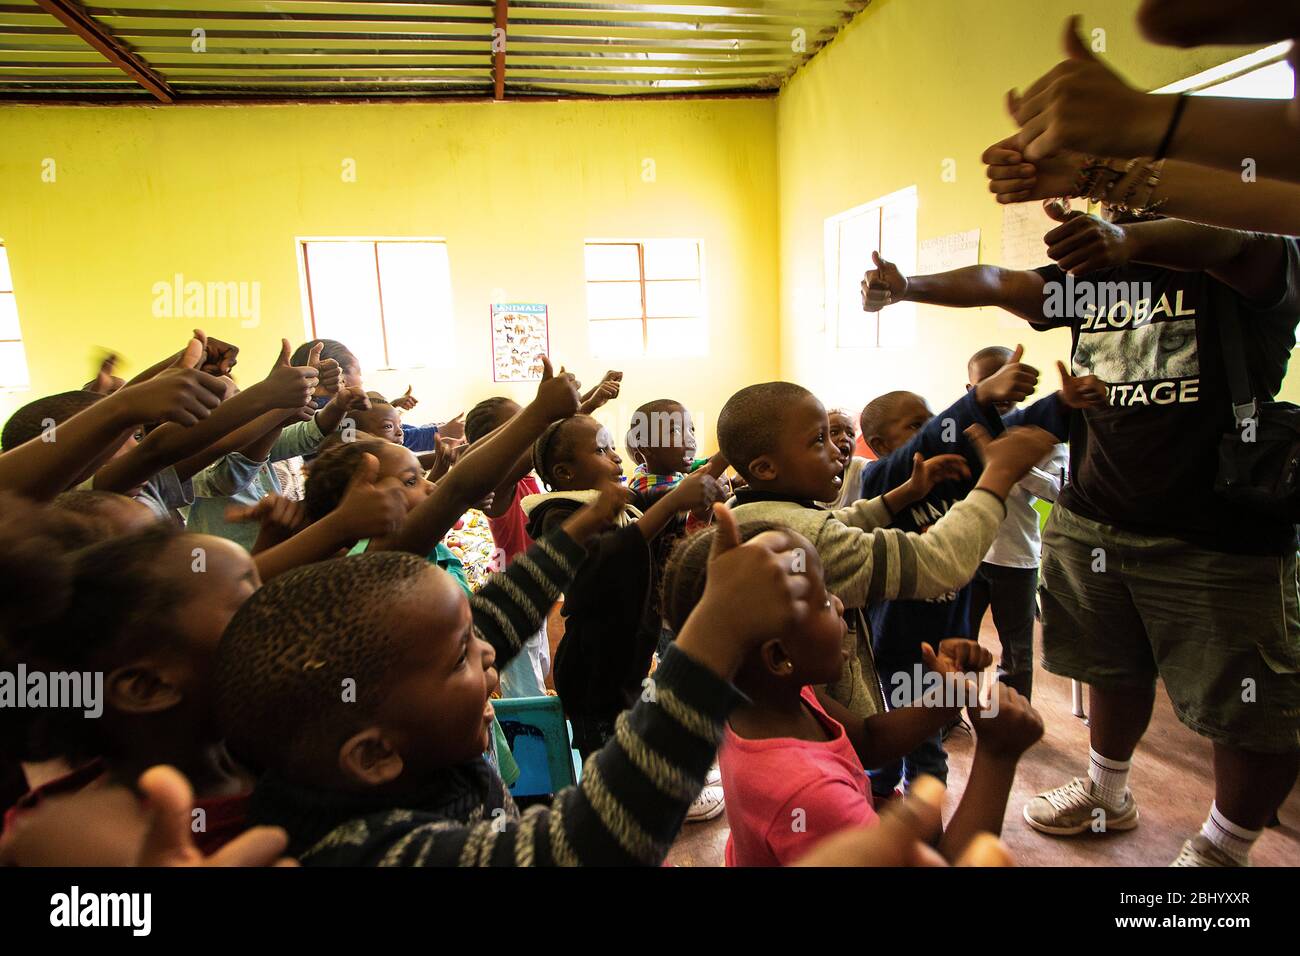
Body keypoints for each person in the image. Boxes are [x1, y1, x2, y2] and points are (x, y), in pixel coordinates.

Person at [861, 213, 1300, 866]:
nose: (1104, 203)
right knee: (1110, 668)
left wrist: (1133, 237)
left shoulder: (1247, 260)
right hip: (1094, 519)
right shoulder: (1095, 282)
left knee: (1249, 708)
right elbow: (998, 281)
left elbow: (1235, 240)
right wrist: (907, 287)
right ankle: (1106, 791)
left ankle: (1222, 849)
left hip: (1216, 533)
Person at [215, 500, 811, 866]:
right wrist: (715, 639)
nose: (485, 651)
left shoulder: (393, 736)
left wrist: (575, 536)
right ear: (373, 754)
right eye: (459, 660)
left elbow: (495, 616)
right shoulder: (366, 852)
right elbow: (589, 849)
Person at [662, 520, 1044, 865]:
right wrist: (998, 753)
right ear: (779, 656)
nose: (841, 603)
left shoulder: (761, 701)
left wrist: (948, 695)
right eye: (824, 601)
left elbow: (868, 739)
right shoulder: (812, 797)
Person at [719, 380, 1060, 721]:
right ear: (766, 468)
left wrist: (903, 494)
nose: (838, 448)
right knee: (880, 761)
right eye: (819, 440)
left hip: (789, 707)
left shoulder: (749, 510)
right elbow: (939, 563)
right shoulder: (807, 536)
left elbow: (839, 521)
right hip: (827, 724)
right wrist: (998, 476)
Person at [964, 347, 1070, 702]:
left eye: (1011, 384)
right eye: (991, 384)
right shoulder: (962, 431)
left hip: (1015, 560)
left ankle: (1012, 715)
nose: (1002, 395)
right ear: (971, 388)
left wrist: (1018, 466)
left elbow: (1060, 492)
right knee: (958, 640)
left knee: (1016, 649)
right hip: (968, 554)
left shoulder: (1040, 434)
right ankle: (946, 714)